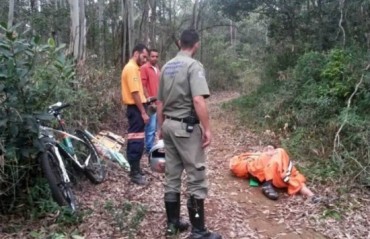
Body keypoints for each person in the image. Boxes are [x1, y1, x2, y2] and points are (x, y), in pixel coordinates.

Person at [157, 29, 222, 239]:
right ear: (196, 44)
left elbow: (159, 103)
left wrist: (160, 127)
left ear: (179, 43)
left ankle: (173, 223)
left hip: (168, 125)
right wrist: (207, 128)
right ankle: (198, 231)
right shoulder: (193, 66)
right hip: (186, 128)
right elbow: (198, 100)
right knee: (196, 177)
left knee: (172, 176)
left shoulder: (166, 67)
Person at [229, 145, 318, 202]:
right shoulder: (257, 156)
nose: (269, 150)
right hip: (259, 171)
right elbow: (235, 166)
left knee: (281, 152)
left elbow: (296, 180)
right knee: (280, 151)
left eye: (271, 148)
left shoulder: (281, 160)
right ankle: (268, 184)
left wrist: (311, 195)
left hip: (280, 174)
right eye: (267, 148)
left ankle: (313, 196)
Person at [121, 43, 149, 185]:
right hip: (135, 109)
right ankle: (134, 173)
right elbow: (134, 93)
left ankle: (136, 168)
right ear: (136, 53)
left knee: (138, 139)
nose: (145, 60)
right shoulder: (131, 68)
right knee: (135, 140)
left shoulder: (136, 68)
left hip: (138, 107)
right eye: (144, 56)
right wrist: (143, 112)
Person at [140, 49, 160, 154]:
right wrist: (149, 100)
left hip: (158, 103)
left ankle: (150, 146)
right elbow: (143, 86)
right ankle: (149, 149)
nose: (155, 58)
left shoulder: (157, 69)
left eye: (156, 56)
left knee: (155, 128)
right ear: (149, 57)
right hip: (150, 104)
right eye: (153, 56)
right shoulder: (144, 68)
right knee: (151, 127)